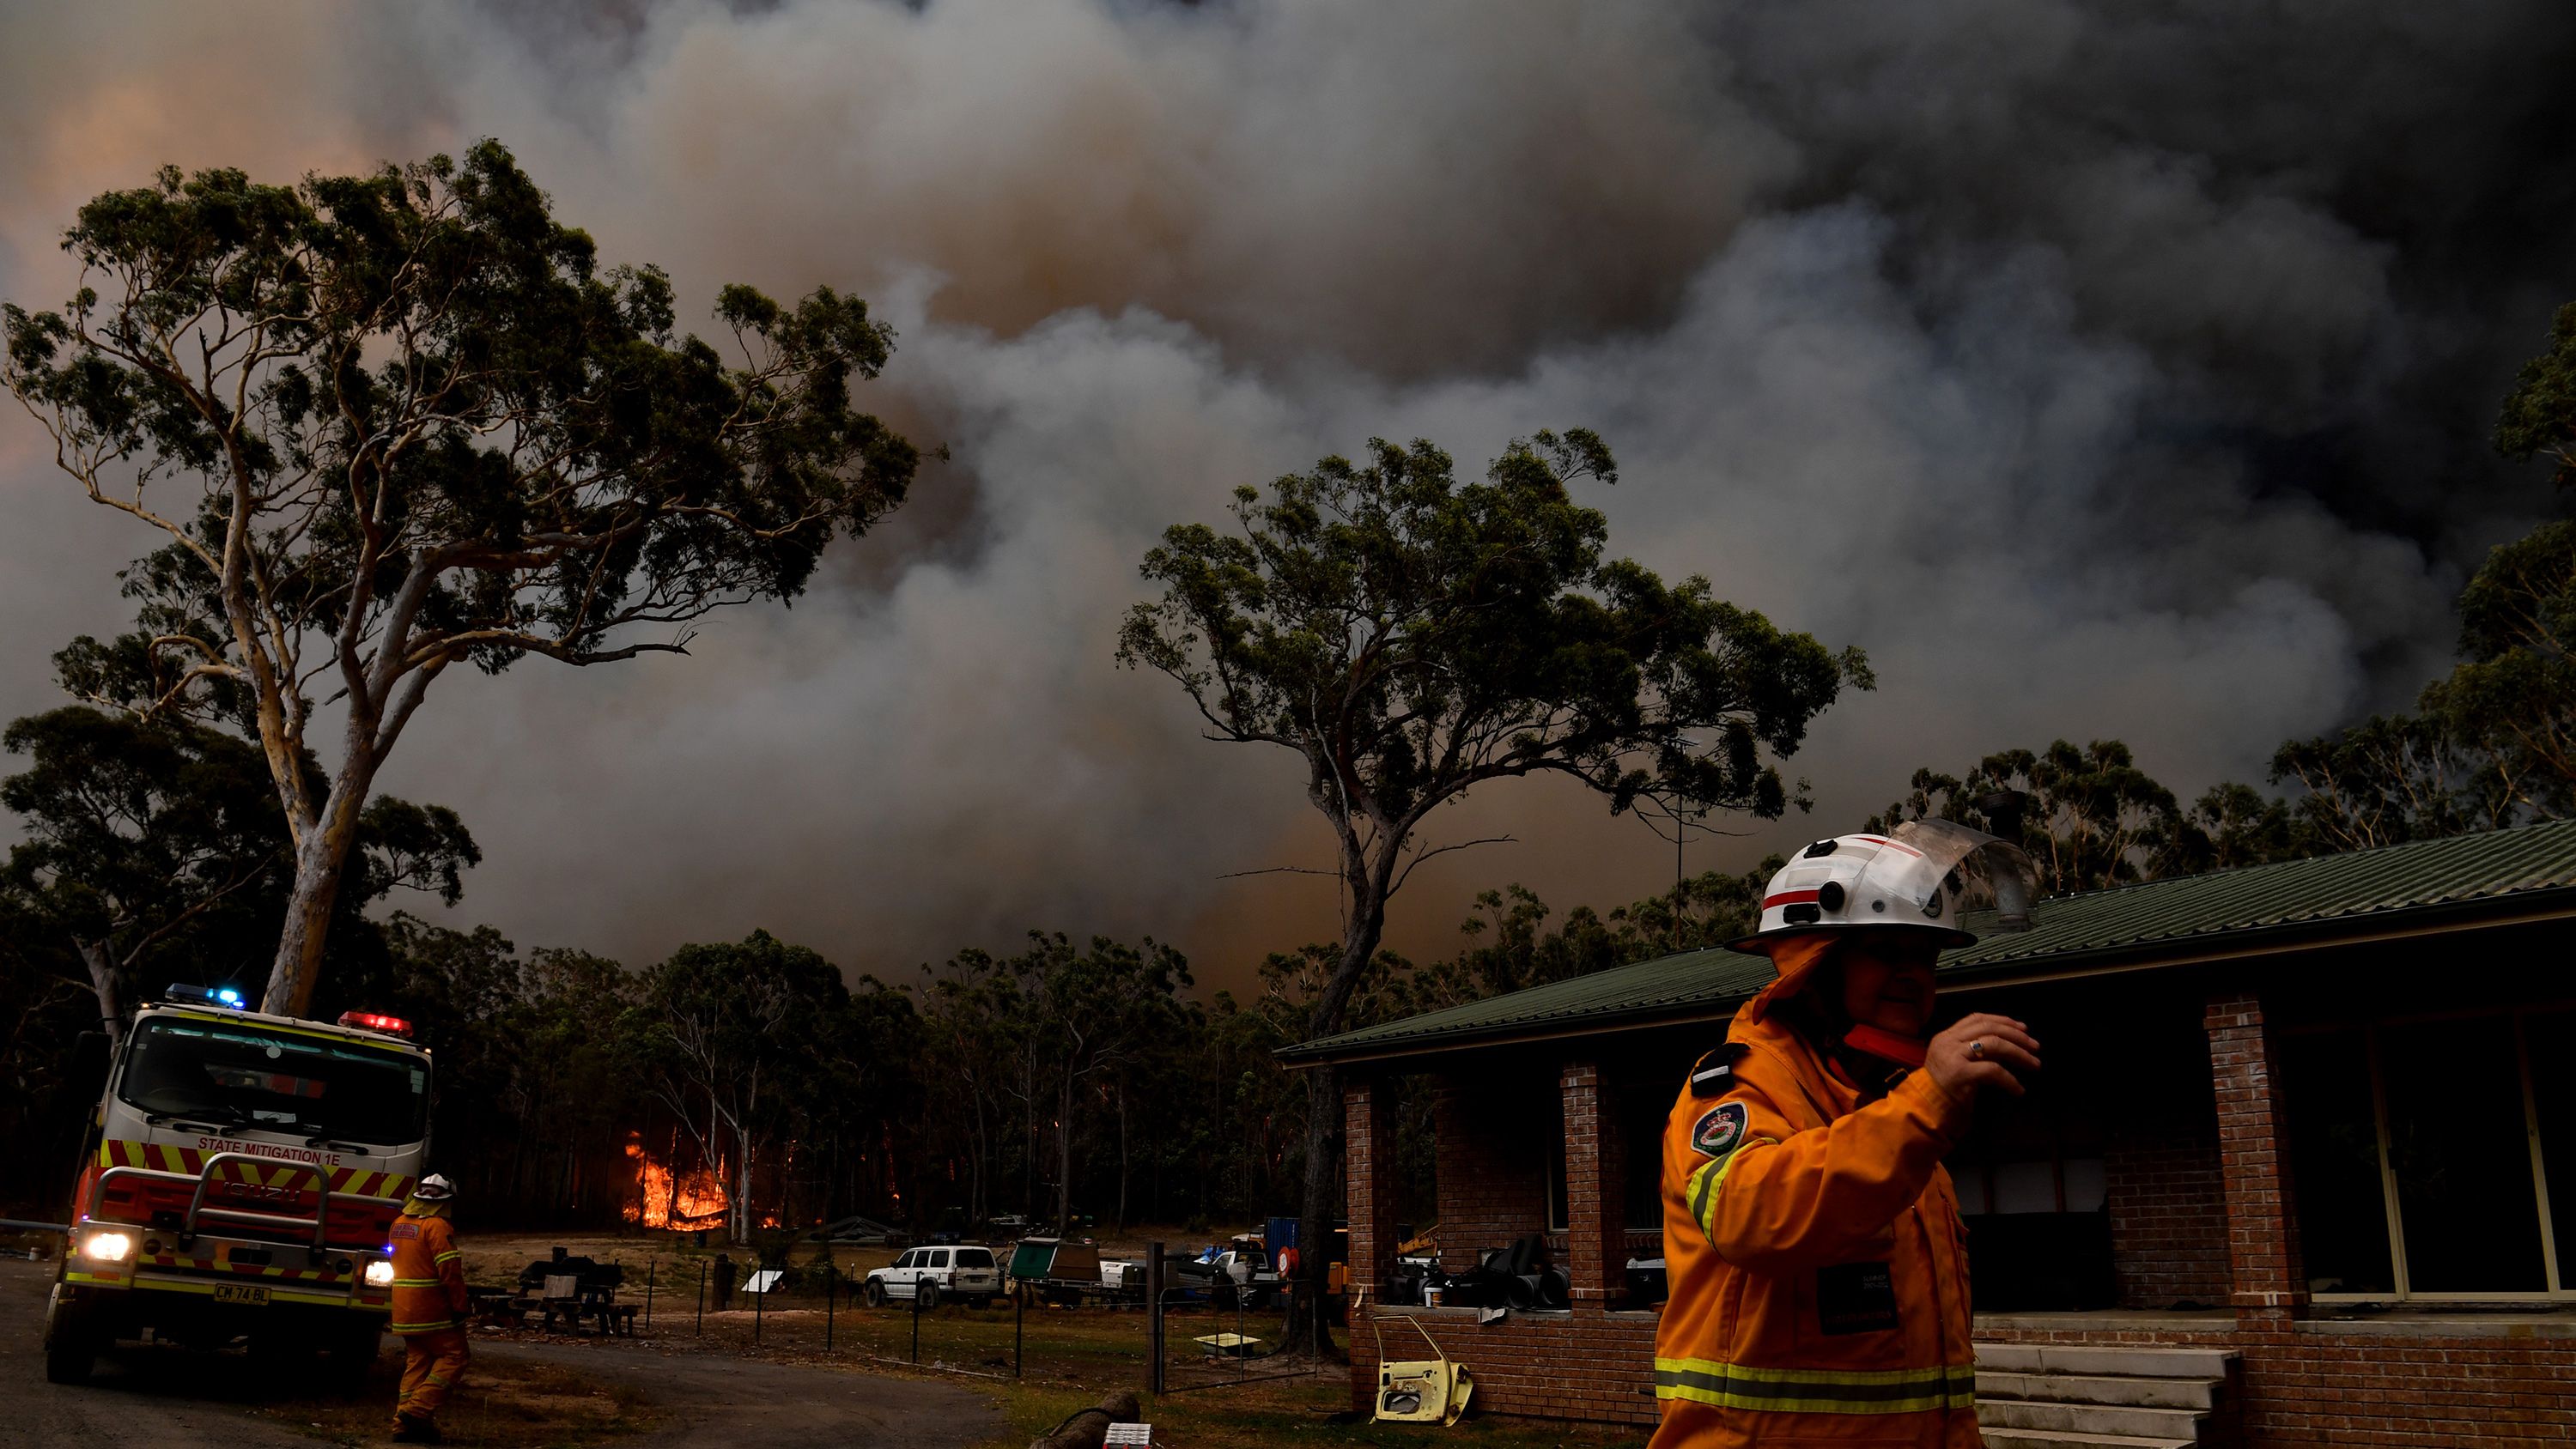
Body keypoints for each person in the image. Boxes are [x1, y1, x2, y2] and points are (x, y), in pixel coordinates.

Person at [1652, 823, 2043, 1448]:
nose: (1914, 976)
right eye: (1887, 952)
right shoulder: (1737, 1087)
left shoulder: (1891, 1107)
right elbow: (1749, 1217)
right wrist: (1926, 1103)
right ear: (1815, 963)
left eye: (1925, 957)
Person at [388, 1173, 471, 1444]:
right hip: (431, 1309)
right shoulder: (437, 1227)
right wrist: (460, 1305)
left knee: (418, 1362)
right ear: (444, 1201)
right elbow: (449, 1270)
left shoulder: (398, 1224)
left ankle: (402, 1426)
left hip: (403, 1308)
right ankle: (416, 1411)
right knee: (455, 1356)